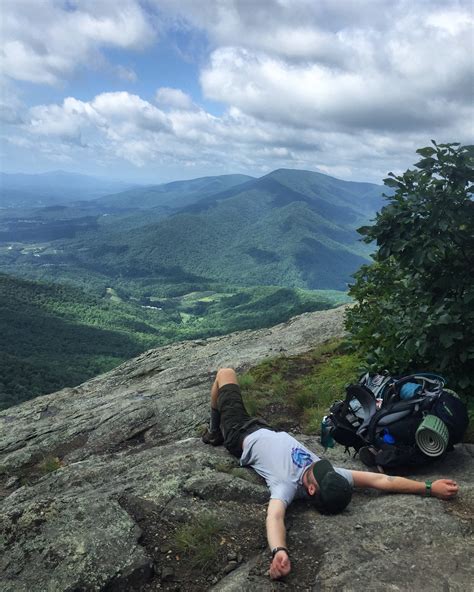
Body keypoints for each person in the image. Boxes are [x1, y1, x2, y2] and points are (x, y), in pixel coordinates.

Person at [202, 368, 460, 580]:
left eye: (319, 474)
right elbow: (383, 480)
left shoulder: (286, 485)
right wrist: (429, 488)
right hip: (265, 429)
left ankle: (215, 432)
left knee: (225, 374)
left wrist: (279, 551)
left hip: (240, 433)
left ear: (311, 490)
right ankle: (217, 429)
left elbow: (275, 517)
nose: (322, 465)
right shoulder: (332, 477)